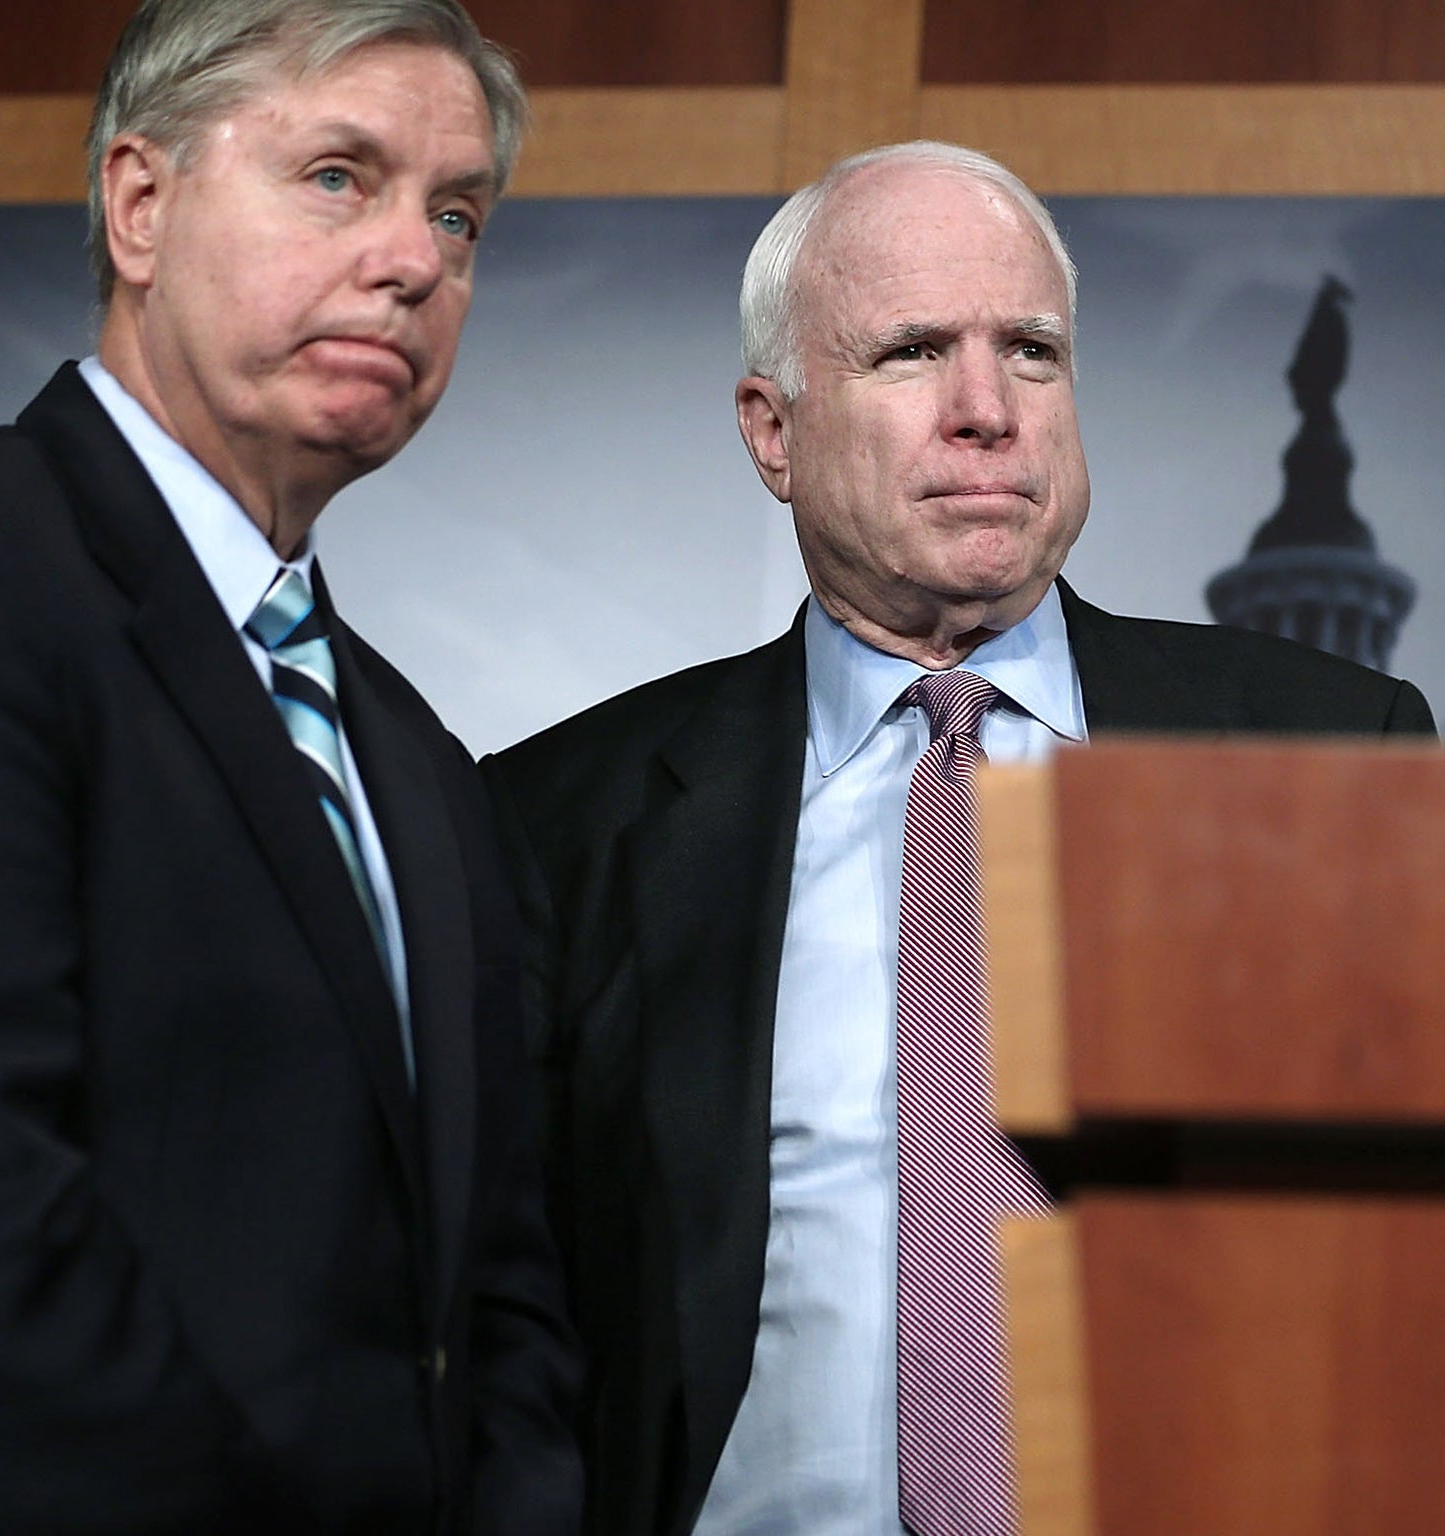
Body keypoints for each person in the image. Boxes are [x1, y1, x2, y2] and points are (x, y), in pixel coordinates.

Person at [0, 2, 581, 1531]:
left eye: (459, 213)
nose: (416, 259)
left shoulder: (415, 758)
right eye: (340, 176)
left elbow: (501, 1299)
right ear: (139, 206)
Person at [482, 141, 1434, 1536]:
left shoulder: (1332, 750)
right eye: (913, 351)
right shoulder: (562, 820)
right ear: (773, 429)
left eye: (1032, 351)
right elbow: (499, 1316)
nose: (987, 410)